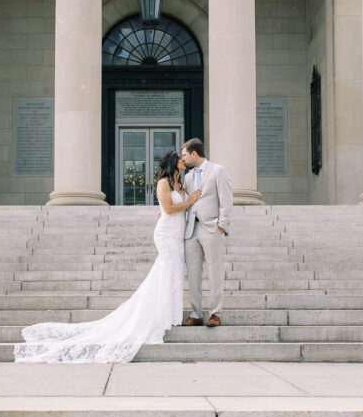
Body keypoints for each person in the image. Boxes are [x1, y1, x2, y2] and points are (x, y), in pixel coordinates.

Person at [13, 150, 201, 363]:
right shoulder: (163, 183)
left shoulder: (181, 184)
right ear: (173, 163)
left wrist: (186, 202)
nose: (183, 161)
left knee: (174, 273)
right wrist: (189, 202)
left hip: (177, 233)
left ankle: (171, 315)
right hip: (166, 234)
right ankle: (164, 316)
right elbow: (168, 208)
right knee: (167, 271)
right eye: (180, 158)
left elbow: (171, 209)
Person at [181, 137, 233, 328]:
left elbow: (226, 199)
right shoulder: (187, 177)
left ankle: (215, 313)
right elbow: (187, 202)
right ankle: (196, 314)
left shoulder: (218, 170)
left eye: (185, 155)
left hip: (211, 228)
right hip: (191, 231)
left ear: (194, 154)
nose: (183, 159)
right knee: (193, 274)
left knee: (214, 271)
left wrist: (222, 225)